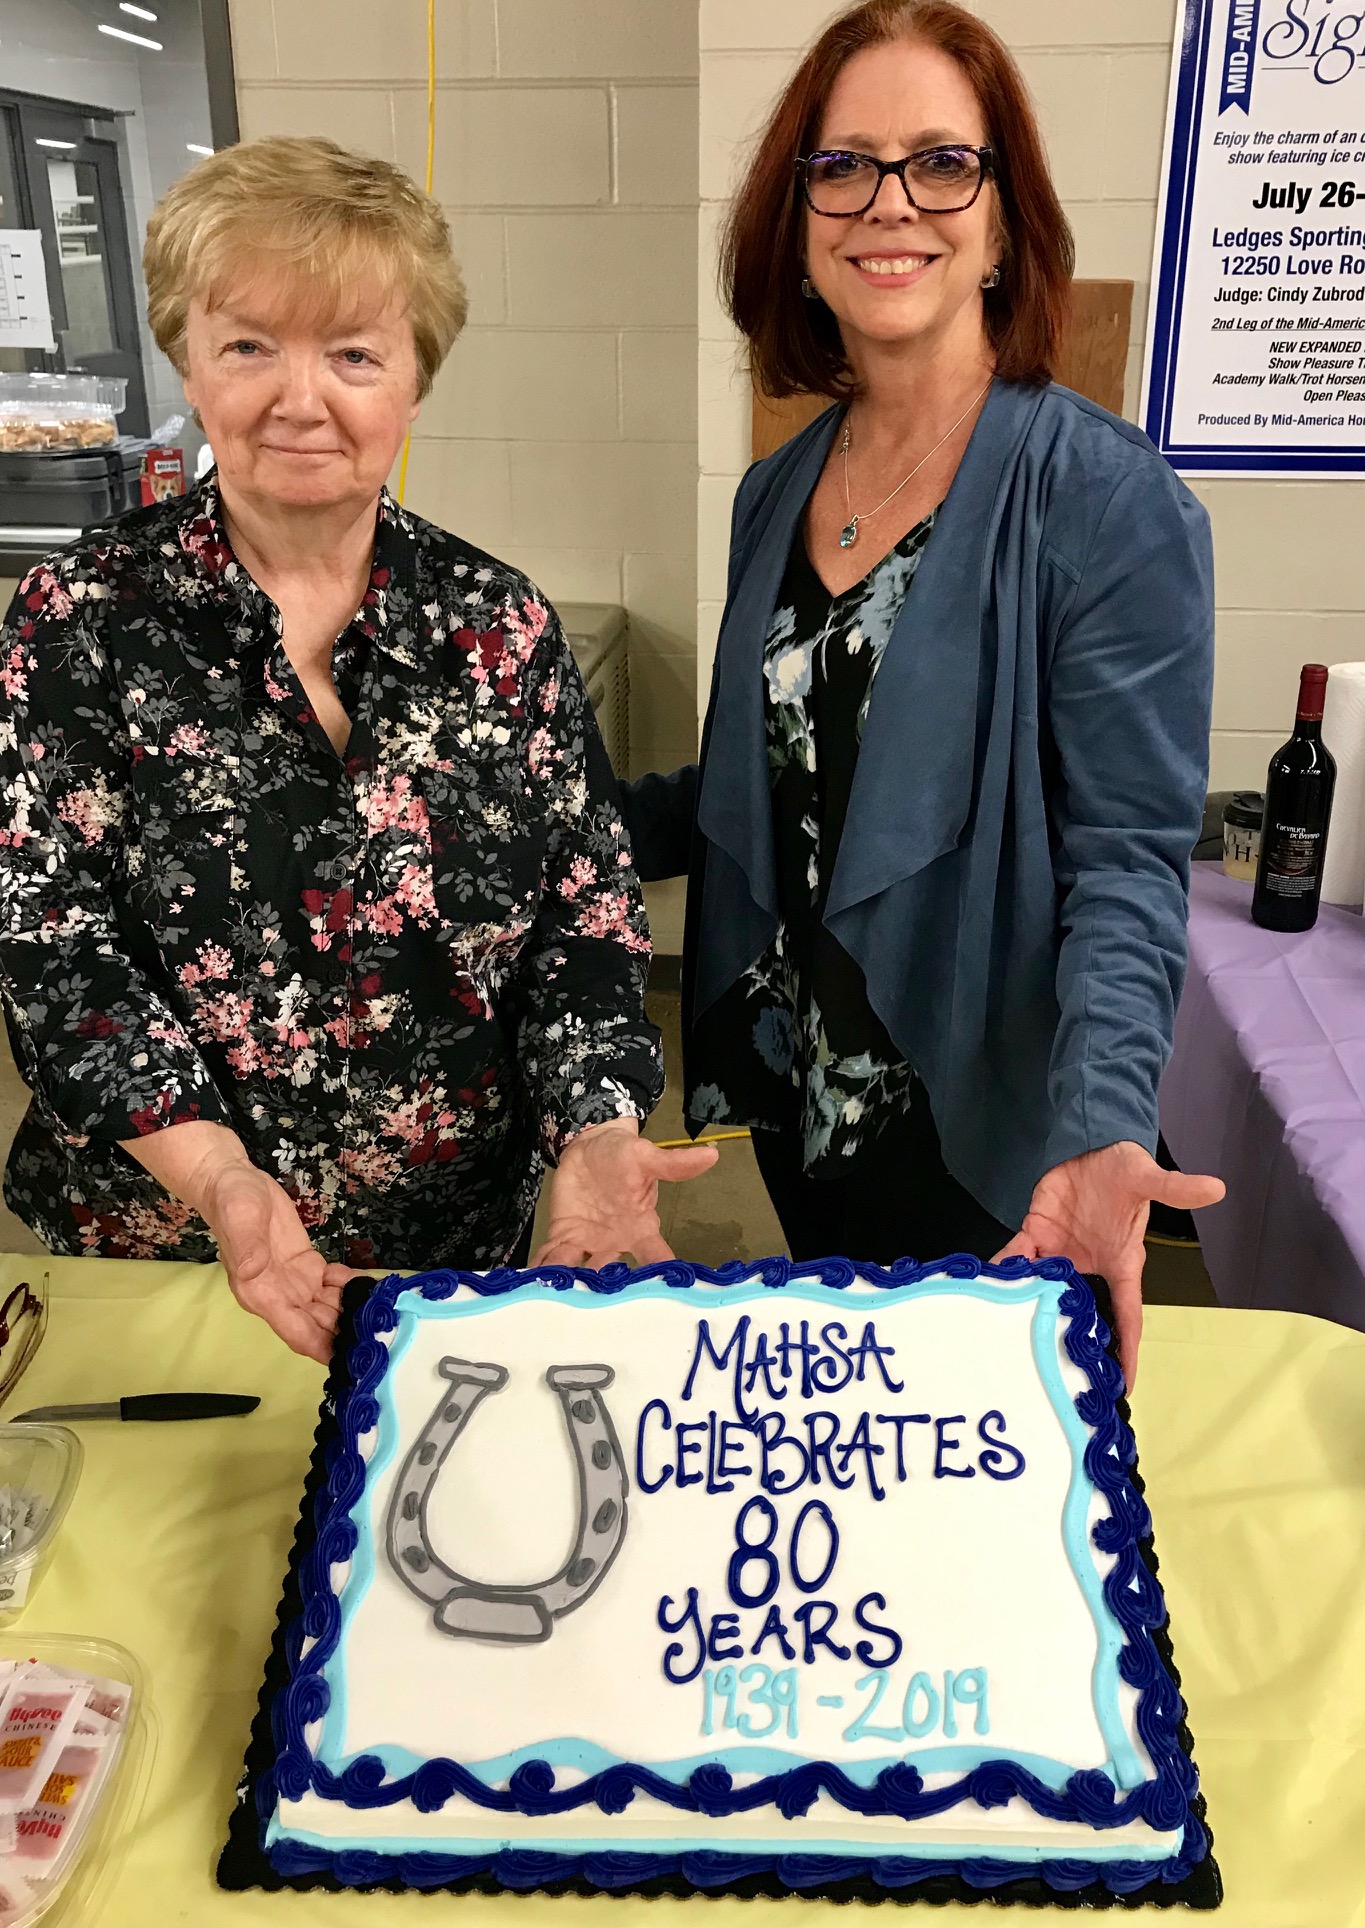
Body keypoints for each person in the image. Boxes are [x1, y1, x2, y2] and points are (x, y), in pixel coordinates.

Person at [0, 136, 714, 1362]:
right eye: (249, 345)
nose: (300, 397)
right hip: (167, 1253)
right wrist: (223, 1181)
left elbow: (584, 924)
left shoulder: (502, 626)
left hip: (455, 1264)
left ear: (413, 382)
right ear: (187, 355)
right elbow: (56, 950)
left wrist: (594, 1129)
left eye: (352, 353)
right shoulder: (77, 623)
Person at [622, 0, 1223, 1386]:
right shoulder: (777, 490)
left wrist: (1103, 1119)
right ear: (798, 219)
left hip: (978, 1129)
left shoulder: (1106, 503)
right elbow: (757, 782)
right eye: (842, 166)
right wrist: (504, 807)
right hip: (796, 1100)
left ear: (1005, 223)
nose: (889, 204)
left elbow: (1126, 861)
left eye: (940, 162)